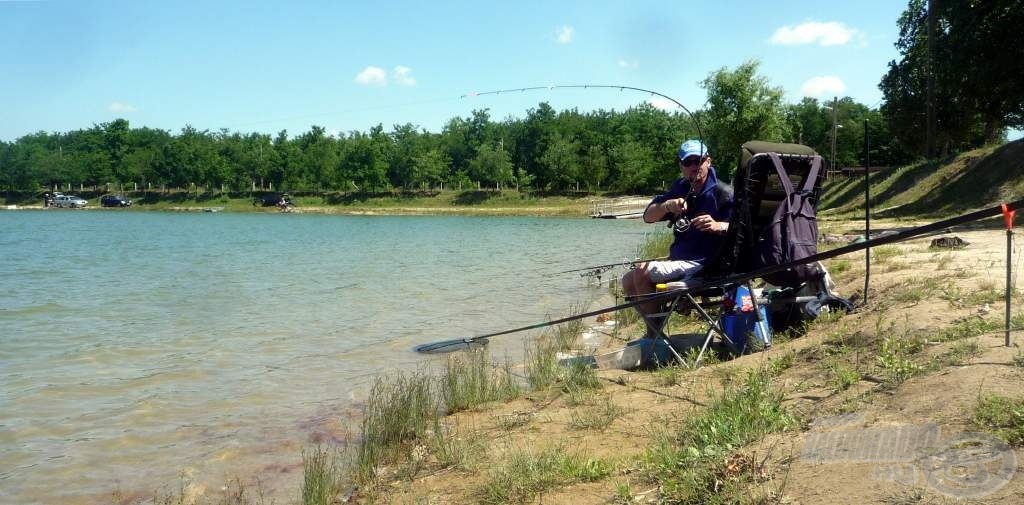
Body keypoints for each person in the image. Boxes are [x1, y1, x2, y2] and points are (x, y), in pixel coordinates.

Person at [621, 139, 734, 330]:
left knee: (641, 271)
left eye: (697, 161)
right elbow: (648, 217)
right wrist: (667, 206)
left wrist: (718, 225)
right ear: (681, 166)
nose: (693, 167)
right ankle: (657, 330)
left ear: (708, 161)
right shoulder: (680, 187)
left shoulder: (723, 193)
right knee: (628, 281)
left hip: (707, 264)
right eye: (687, 162)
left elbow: (742, 229)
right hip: (680, 261)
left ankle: (652, 335)